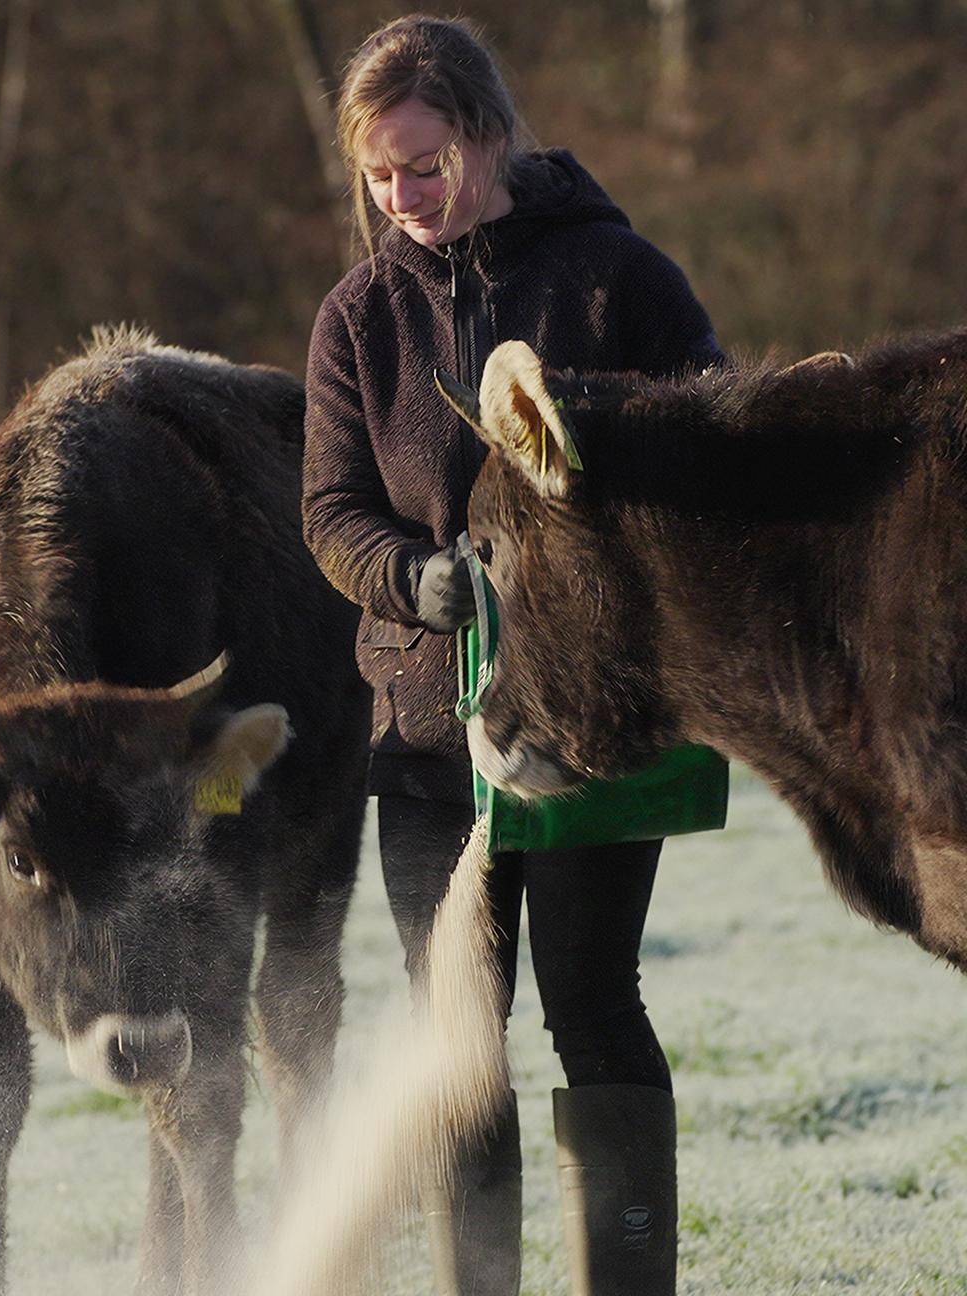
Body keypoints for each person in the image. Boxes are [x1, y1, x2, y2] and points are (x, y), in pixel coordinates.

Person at [301, 16, 724, 1296]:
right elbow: (331, 512)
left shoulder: (616, 273)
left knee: (591, 1005)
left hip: (592, 730)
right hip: (428, 742)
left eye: (422, 164)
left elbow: (712, 424)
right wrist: (409, 579)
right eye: (378, 175)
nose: (400, 197)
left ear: (486, 133)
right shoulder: (358, 315)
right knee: (457, 1045)